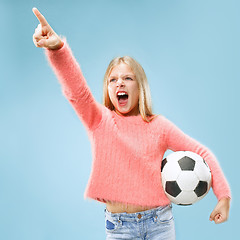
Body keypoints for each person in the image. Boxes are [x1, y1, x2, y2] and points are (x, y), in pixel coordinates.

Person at [32, 7, 231, 240]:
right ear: (107, 88)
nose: (120, 84)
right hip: (119, 227)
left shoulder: (159, 126)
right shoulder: (100, 120)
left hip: (160, 222)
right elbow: (76, 89)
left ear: (140, 87)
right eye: (113, 79)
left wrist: (224, 197)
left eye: (128, 78)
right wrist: (58, 49)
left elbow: (201, 152)